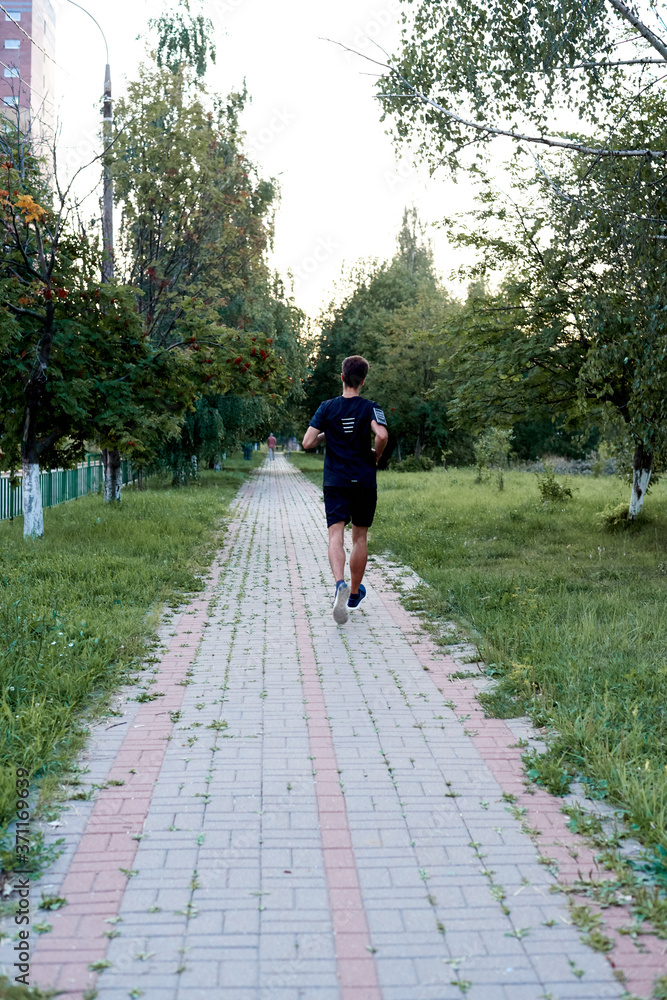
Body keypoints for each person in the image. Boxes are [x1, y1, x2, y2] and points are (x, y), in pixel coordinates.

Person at [302, 355, 388, 625]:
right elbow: (382, 435)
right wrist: (376, 456)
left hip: (336, 481)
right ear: (363, 381)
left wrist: (329, 430)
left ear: (342, 377)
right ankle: (353, 593)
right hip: (363, 481)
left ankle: (339, 582)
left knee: (335, 535)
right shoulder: (370, 408)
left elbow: (307, 442)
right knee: (359, 538)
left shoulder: (327, 408)